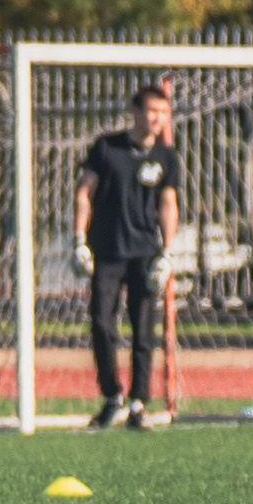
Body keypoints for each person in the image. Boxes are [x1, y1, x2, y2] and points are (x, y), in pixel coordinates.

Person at [71, 82, 181, 431]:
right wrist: (79, 239)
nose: (157, 118)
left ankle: (138, 403)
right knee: (102, 325)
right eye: (151, 111)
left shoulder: (166, 156)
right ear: (135, 111)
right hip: (107, 250)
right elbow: (84, 191)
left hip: (145, 254)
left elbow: (168, 204)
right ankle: (112, 397)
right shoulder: (107, 148)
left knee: (143, 330)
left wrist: (167, 252)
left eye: (163, 113)